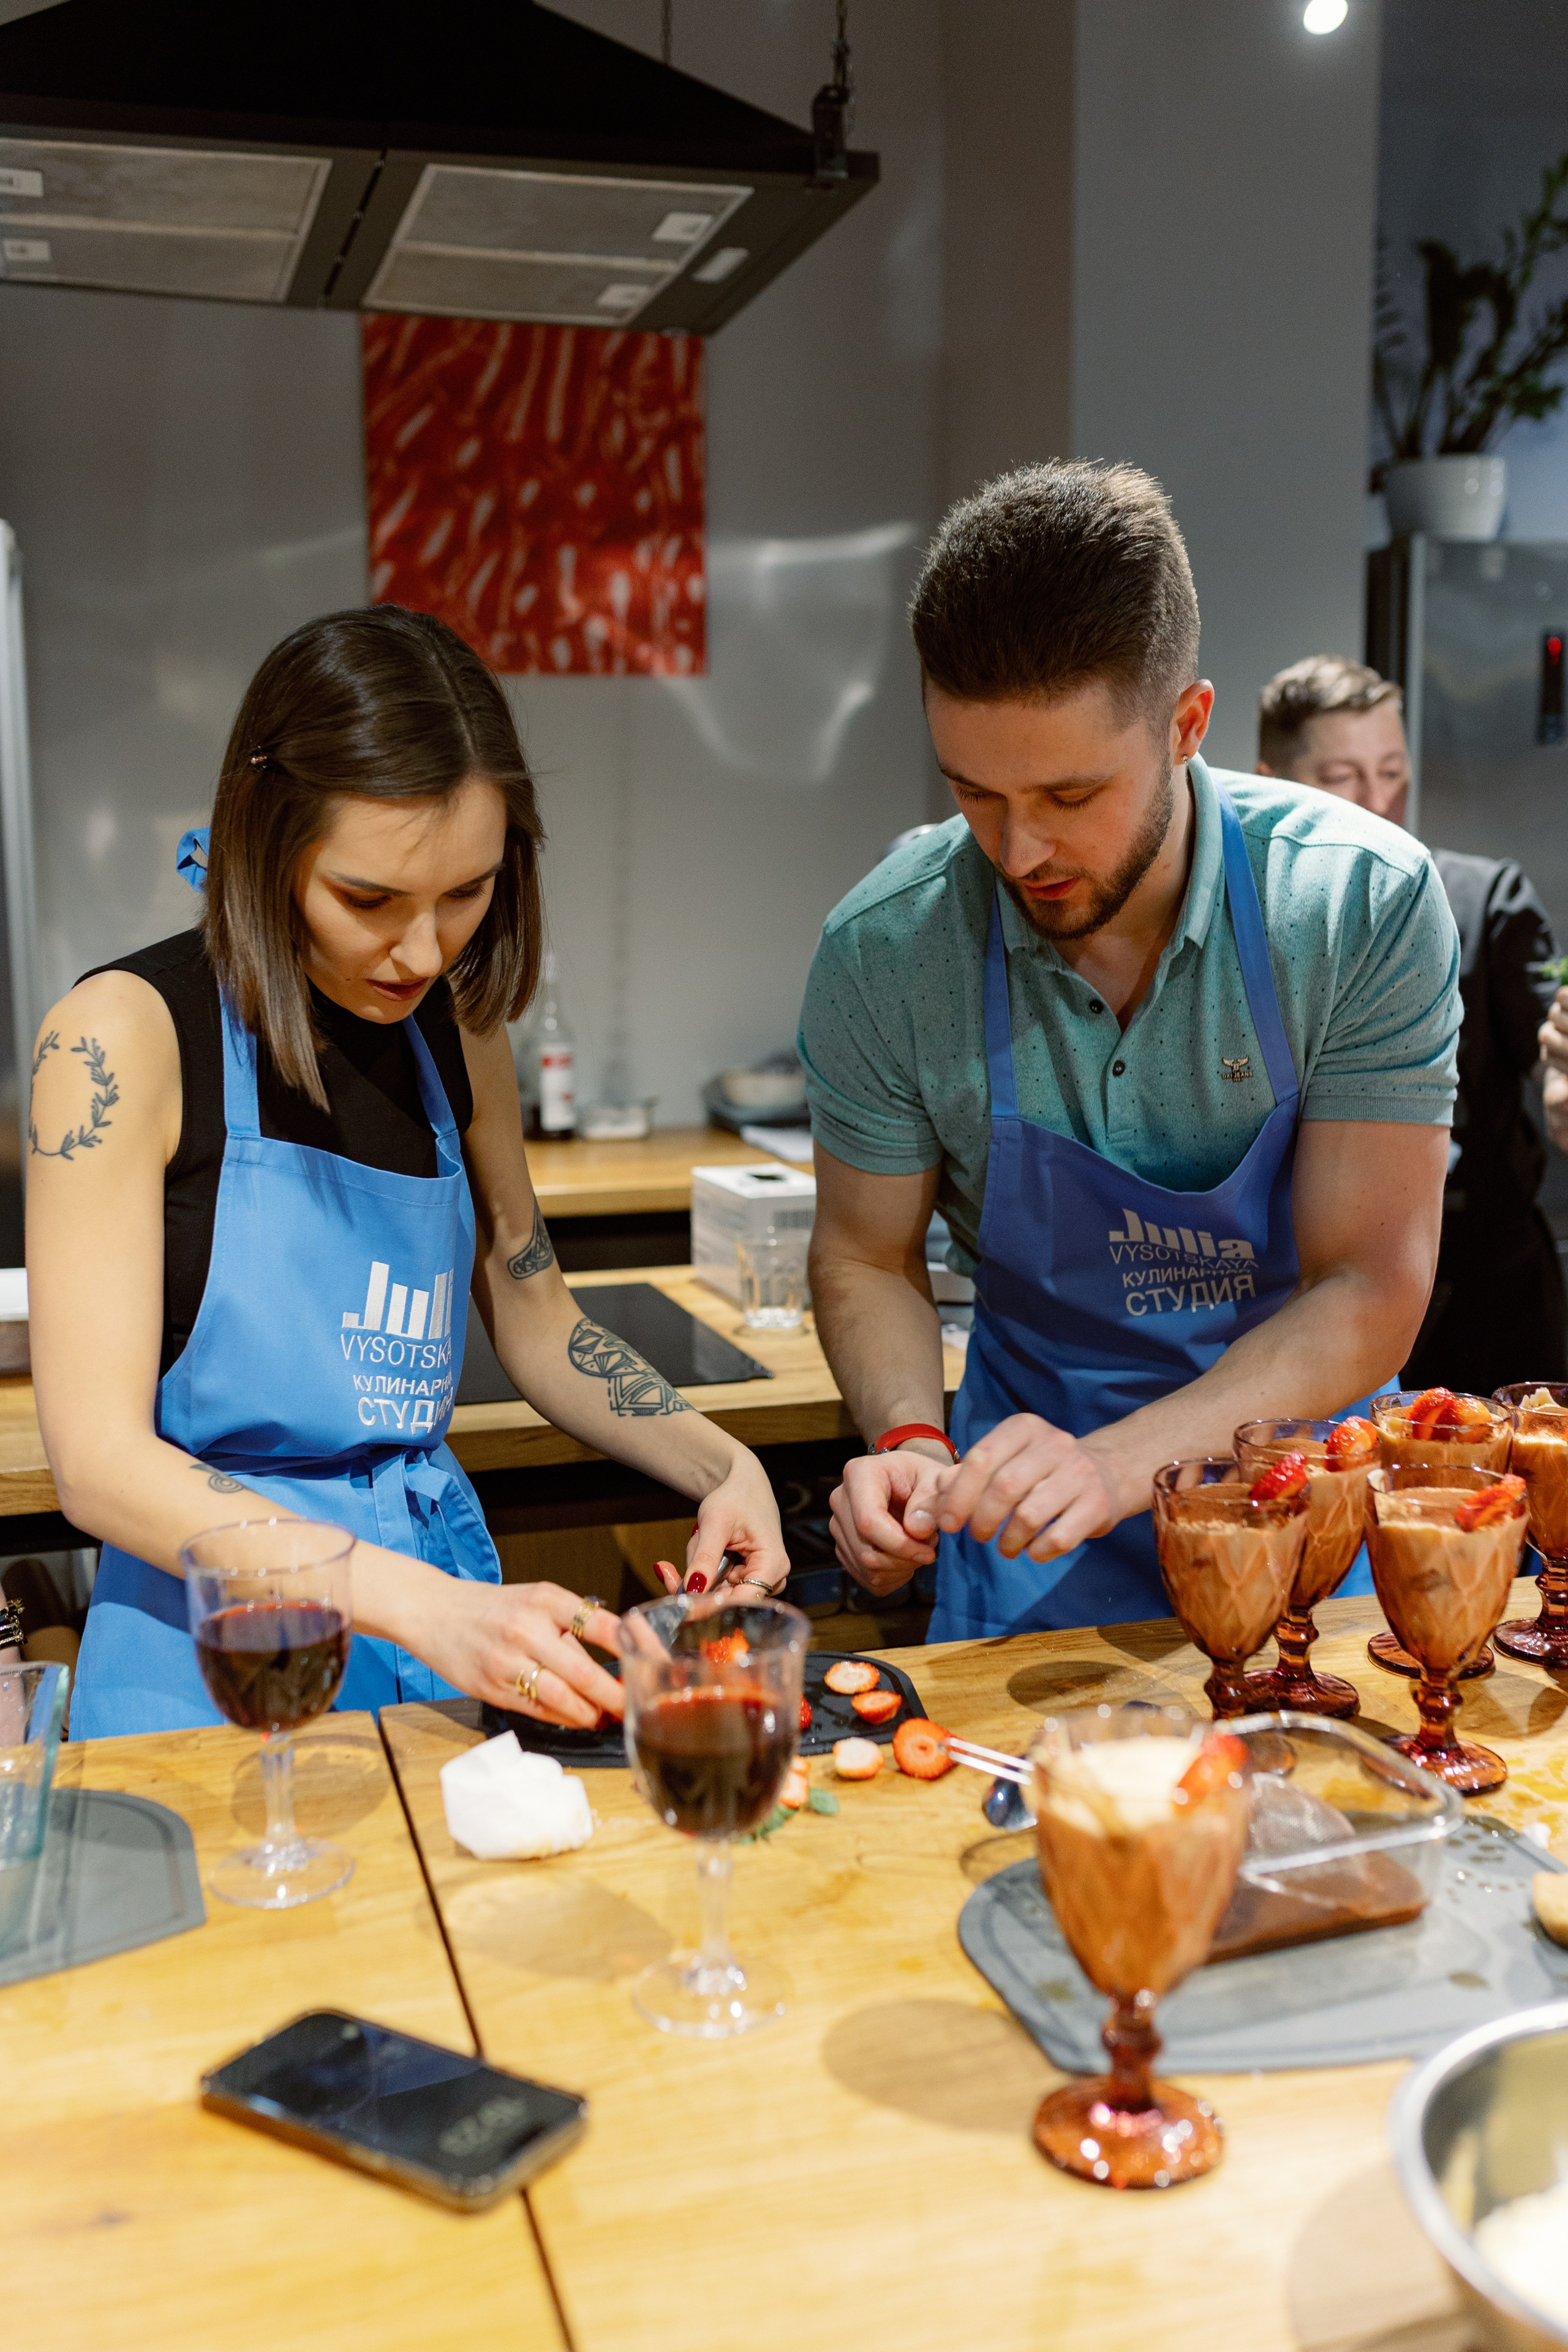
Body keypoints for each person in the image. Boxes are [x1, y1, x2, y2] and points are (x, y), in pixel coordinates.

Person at [30, 607, 788, 1738]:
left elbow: (538, 1321)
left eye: (467, 894)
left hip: (430, 1631)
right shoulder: (114, 1041)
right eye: (370, 900)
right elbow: (96, 1464)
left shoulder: (457, 1028)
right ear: (264, 834)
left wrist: (726, 1464)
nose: (425, 953)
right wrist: (420, 1606)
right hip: (213, 1650)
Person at [799, 461, 1460, 1639]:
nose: (1020, 848)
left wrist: (1119, 1464)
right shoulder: (889, 945)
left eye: (1070, 791)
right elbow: (863, 1255)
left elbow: (1370, 1284)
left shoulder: (1355, 903)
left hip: (1305, 1513)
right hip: (1028, 1529)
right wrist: (906, 1440)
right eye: (974, 792)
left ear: (1188, 725)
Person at [1258, 655, 1566, 1393]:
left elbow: (1549, 1055)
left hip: (1482, 1295)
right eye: (1342, 777)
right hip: (1298, 1299)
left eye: (1391, 770)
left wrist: (1562, 1079)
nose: (1377, 799)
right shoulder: (1245, 925)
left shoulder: (1483, 898)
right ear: (1269, 780)